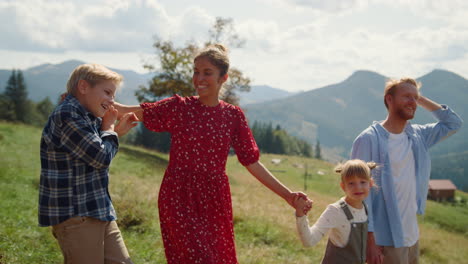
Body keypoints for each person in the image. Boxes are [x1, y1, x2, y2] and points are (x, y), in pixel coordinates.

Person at [114, 44, 310, 263]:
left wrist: (288, 196)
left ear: (223, 78)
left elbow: (252, 163)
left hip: (215, 199)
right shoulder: (180, 108)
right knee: (197, 257)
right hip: (178, 194)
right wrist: (93, 101)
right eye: (196, 71)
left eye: (207, 73)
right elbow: (129, 111)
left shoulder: (233, 116)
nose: (199, 78)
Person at [351, 78, 463, 264]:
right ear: (389, 100)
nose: (413, 102)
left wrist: (418, 99)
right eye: (406, 97)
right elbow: (359, 195)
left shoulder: (419, 136)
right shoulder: (368, 139)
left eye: (415, 97)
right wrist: (369, 240)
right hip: (385, 238)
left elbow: (453, 123)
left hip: (412, 236)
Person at [38, 63, 138, 264]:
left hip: (98, 210)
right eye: (108, 92)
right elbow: (100, 157)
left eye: (114, 95)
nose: (112, 101)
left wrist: (114, 132)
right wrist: (110, 129)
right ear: (83, 87)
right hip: (77, 215)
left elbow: (94, 150)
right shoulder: (68, 115)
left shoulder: (85, 115)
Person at [295, 159, 376, 264]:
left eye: (362, 182)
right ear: (343, 186)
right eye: (351, 183)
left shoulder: (364, 208)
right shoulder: (336, 211)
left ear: (370, 183)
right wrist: (301, 215)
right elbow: (309, 241)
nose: (358, 187)